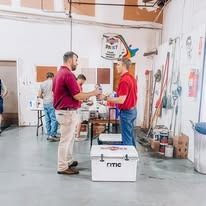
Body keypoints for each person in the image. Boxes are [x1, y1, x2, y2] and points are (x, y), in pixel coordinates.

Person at [53, 51, 101, 175]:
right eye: (76, 60)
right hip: (66, 112)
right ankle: (62, 166)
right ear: (70, 60)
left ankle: (68, 161)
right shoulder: (68, 74)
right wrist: (93, 93)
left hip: (64, 111)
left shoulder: (59, 73)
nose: (77, 63)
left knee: (69, 140)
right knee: (65, 141)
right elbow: (77, 95)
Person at [101, 58, 138, 146]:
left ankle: (128, 157)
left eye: (118, 64)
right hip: (133, 111)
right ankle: (133, 157)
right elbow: (126, 95)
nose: (116, 66)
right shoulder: (131, 77)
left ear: (124, 66)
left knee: (126, 138)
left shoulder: (124, 80)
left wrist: (105, 98)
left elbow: (121, 100)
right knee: (130, 136)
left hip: (126, 113)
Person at [38, 72, 59, 142]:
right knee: (54, 119)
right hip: (52, 103)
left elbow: (39, 95)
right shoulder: (54, 83)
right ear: (53, 76)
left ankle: (49, 134)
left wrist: (44, 97)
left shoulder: (42, 84)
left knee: (47, 119)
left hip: (45, 103)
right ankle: (52, 135)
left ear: (46, 77)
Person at [75, 74, 87, 142]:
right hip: (77, 106)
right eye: (83, 81)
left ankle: (76, 135)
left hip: (77, 106)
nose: (83, 83)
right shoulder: (77, 86)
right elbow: (78, 97)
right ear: (80, 79)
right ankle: (77, 136)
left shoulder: (78, 86)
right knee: (79, 121)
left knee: (77, 121)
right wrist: (84, 100)